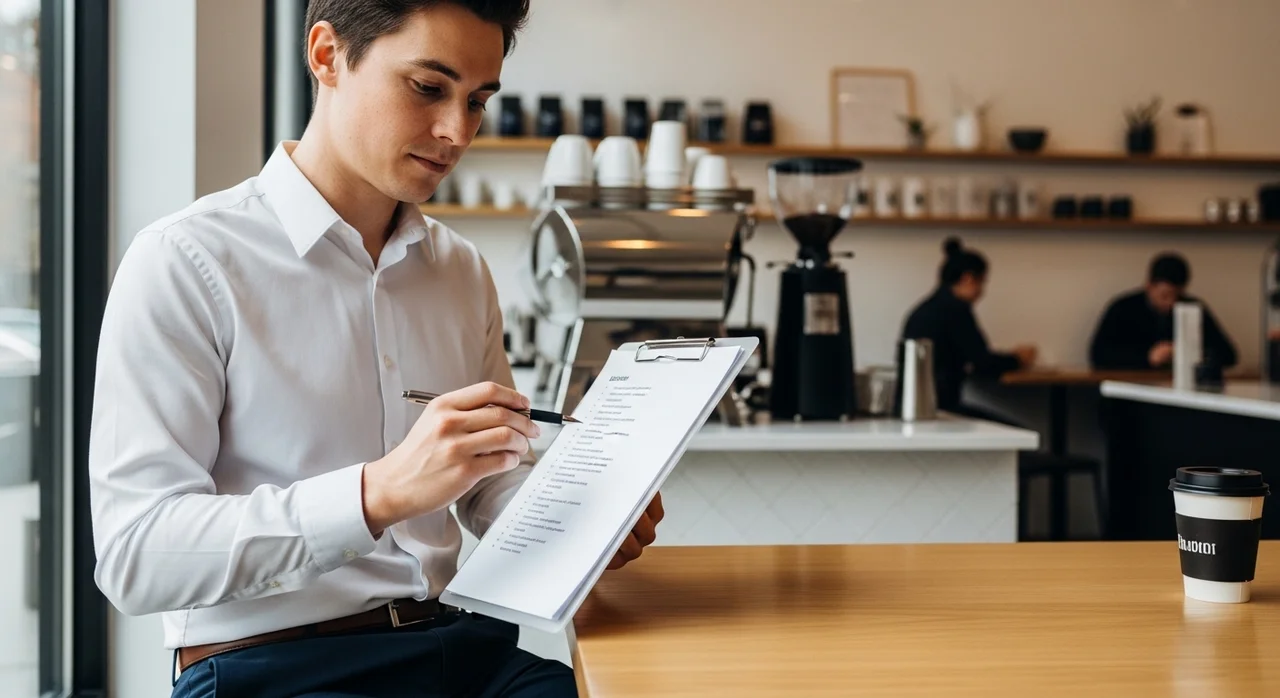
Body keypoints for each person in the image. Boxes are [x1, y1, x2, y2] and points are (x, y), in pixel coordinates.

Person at [89, 3, 662, 696]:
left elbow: (487, 482)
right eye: (427, 87)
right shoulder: (185, 262)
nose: (457, 131)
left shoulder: (460, 270)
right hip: (274, 671)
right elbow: (136, 556)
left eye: (477, 101)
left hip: (466, 652)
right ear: (327, 55)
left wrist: (582, 520)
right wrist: (377, 493)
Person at [900, 238, 1038, 418]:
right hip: (941, 410)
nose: (982, 291)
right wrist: (1018, 359)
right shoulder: (955, 310)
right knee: (1024, 438)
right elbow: (983, 362)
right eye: (982, 282)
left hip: (919, 409)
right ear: (968, 279)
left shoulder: (927, 308)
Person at [1089, 252, 1237, 371]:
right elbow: (1099, 355)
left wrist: (1188, 353)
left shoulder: (1192, 308)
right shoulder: (1122, 308)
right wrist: (1147, 357)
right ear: (1149, 286)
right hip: (1132, 391)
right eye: (1164, 296)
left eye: (1176, 296)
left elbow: (1229, 355)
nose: (1171, 303)